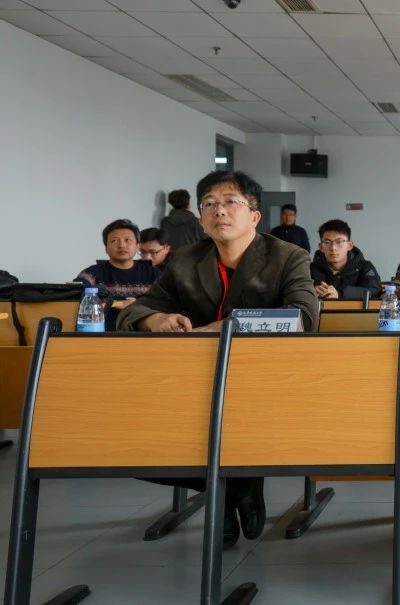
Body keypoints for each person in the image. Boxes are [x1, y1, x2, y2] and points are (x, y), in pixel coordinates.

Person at [117, 170, 319, 549]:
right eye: (209, 204)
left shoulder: (287, 256)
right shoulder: (185, 260)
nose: (219, 211)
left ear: (254, 216)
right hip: (196, 382)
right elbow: (135, 310)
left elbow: (302, 317)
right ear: (200, 219)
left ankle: (230, 489)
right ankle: (234, 488)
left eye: (230, 202)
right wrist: (154, 319)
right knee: (127, 446)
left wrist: (225, 328)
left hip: (265, 384)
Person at [77, 219, 161, 329]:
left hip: (145, 333)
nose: (122, 245)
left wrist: (136, 305)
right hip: (103, 333)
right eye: (114, 241)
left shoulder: (154, 274)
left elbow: (165, 303)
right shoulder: (90, 274)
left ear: (137, 246)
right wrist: (118, 302)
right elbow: (76, 299)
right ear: (106, 248)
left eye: (127, 240)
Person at [309, 219, 381, 301]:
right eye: (327, 242)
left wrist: (340, 294)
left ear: (350, 245)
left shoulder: (365, 267)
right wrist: (311, 291)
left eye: (339, 242)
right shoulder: (310, 269)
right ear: (321, 247)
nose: (333, 248)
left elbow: (374, 291)